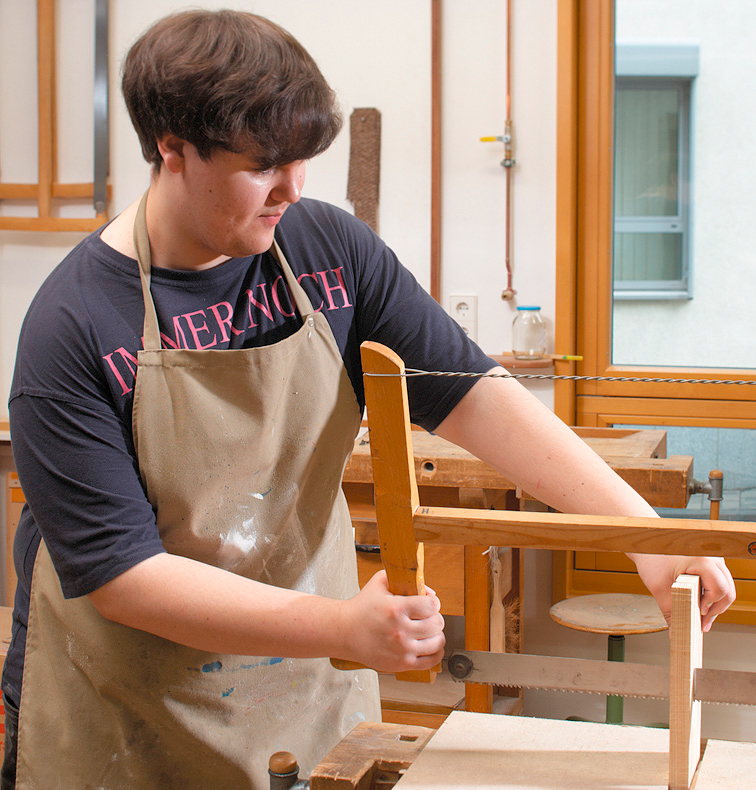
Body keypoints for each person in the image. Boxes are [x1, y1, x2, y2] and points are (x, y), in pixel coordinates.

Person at [1, 9, 734, 790]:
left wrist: (642, 532)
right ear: (171, 150)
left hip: (300, 690)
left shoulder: (328, 252)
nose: (292, 186)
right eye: (263, 165)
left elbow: (469, 393)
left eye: (301, 160)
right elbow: (126, 580)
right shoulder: (72, 328)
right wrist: (346, 626)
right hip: (125, 716)